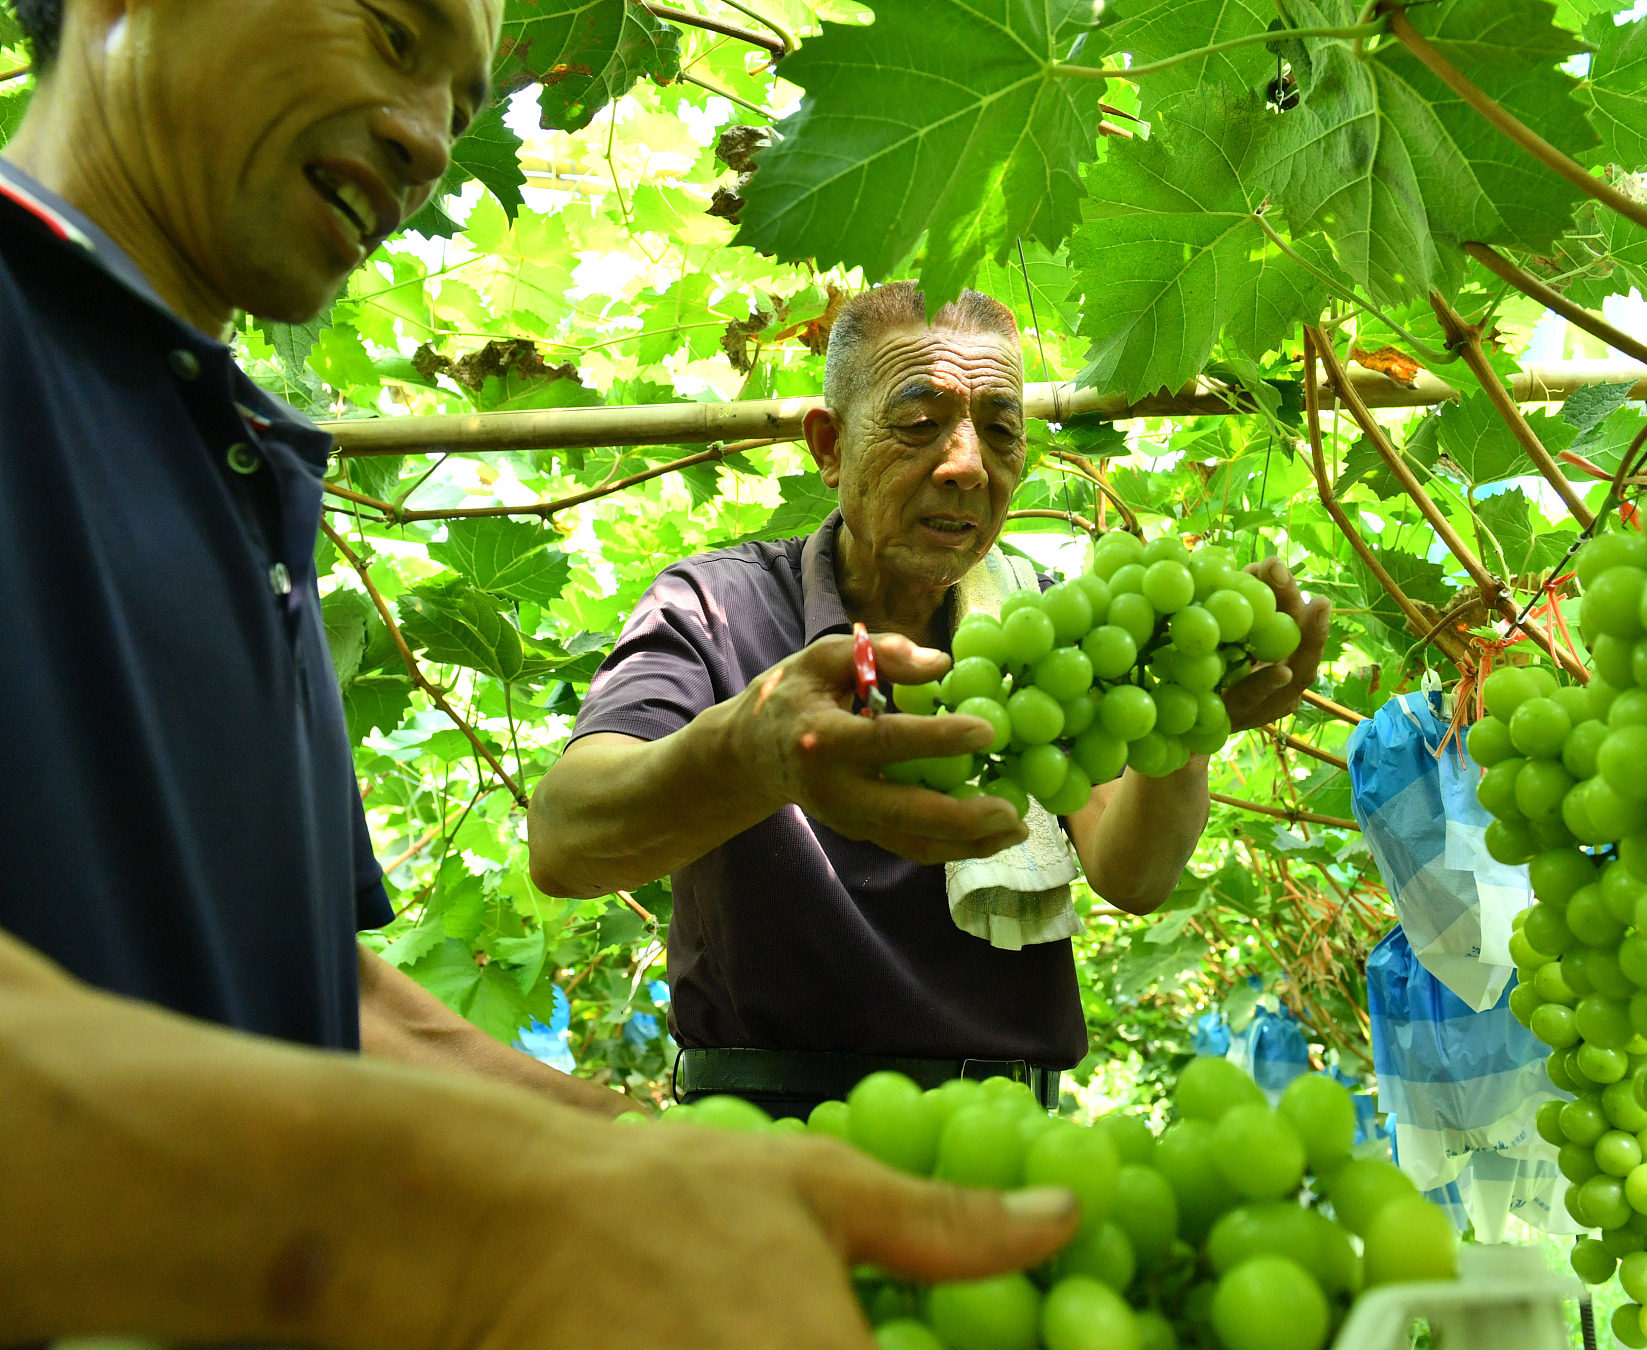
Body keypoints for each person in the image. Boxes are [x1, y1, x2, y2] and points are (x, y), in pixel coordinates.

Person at [0, 0, 1078, 1344]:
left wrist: (631, 1152)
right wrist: (494, 1223)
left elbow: (304, 988)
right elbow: (570, 836)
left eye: (460, 107)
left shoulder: (219, 456)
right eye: (397, 35)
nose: (429, 140)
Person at [527, 282, 1334, 1118]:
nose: (966, 465)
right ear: (829, 446)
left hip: (1003, 1140)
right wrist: (756, 753)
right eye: (919, 424)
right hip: (769, 1143)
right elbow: (563, 837)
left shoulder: (1046, 629)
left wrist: (1185, 714)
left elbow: (1133, 874)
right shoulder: (715, 607)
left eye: (1001, 432)